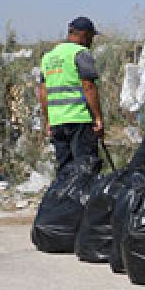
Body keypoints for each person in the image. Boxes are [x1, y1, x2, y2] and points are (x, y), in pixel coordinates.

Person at [37, 16, 103, 174]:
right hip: (79, 120)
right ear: (84, 35)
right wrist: (98, 118)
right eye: (91, 37)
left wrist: (49, 121)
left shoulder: (48, 57)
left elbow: (43, 93)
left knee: (65, 171)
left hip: (57, 122)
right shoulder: (80, 53)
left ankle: (64, 198)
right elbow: (88, 87)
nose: (91, 41)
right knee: (86, 169)